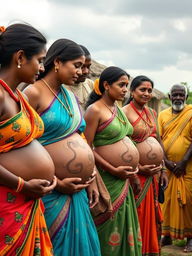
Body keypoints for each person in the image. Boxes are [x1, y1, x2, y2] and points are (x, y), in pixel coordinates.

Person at [24, 39, 101, 256]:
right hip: (49, 192)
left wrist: (92, 179)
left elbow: (81, 137)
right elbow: (22, 146)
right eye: (76, 65)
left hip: (78, 191)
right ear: (57, 62)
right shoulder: (33, 93)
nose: (80, 71)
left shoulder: (71, 97)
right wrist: (57, 183)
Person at [0, 23, 57, 255]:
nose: (42, 67)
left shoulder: (16, 96)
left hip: (27, 202)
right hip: (8, 201)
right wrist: (22, 184)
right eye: (40, 60)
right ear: (21, 57)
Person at [84, 66, 142, 256]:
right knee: (108, 224)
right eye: (121, 85)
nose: (126, 89)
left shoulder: (117, 108)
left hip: (123, 179)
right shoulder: (95, 110)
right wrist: (112, 168)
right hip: (106, 178)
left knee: (123, 224)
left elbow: (127, 139)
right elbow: (87, 147)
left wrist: (133, 175)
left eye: (127, 85)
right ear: (107, 85)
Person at [123, 75, 168, 256]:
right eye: (142, 89)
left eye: (150, 90)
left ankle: (151, 250)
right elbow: (123, 145)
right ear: (132, 91)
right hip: (136, 174)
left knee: (152, 214)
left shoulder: (152, 113)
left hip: (154, 175)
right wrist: (139, 169)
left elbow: (156, 140)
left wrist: (163, 169)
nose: (147, 93)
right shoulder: (124, 112)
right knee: (138, 213)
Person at [158, 84, 192, 252]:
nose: (178, 98)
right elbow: (158, 139)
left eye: (181, 95)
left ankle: (191, 237)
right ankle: (167, 235)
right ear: (169, 97)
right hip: (167, 168)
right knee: (167, 201)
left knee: (188, 201)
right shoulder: (162, 115)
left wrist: (183, 162)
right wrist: (167, 162)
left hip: (187, 167)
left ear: (186, 97)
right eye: (175, 95)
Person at [64, 45, 94, 114]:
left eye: (88, 67)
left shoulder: (90, 85)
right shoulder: (61, 87)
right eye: (81, 66)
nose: (86, 71)